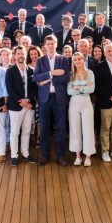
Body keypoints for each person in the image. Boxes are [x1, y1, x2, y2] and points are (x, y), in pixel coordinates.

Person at [34, 35, 71, 166]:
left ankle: (61, 156)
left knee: (61, 128)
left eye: (52, 43)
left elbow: (67, 77)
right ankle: (45, 156)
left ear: (56, 44)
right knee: (44, 128)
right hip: (44, 99)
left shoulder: (63, 59)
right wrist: (52, 73)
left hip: (59, 98)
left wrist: (49, 80)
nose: (50, 46)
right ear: (44, 45)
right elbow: (36, 77)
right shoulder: (40, 60)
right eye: (48, 43)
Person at [6, 46, 38, 166]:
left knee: (26, 131)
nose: (21, 56)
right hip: (16, 106)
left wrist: (28, 100)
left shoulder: (31, 70)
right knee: (14, 132)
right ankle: (14, 156)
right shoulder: (10, 71)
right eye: (18, 53)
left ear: (26, 55)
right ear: (14, 55)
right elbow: (10, 90)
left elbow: (35, 87)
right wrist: (22, 102)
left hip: (29, 106)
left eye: (22, 53)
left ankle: (25, 153)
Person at [67, 52, 95, 166]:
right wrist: (83, 87)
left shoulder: (90, 73)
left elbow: (91, 89)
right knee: (75, 129)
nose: (77, 61)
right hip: (74, 103)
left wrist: (77, 87)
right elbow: (69, 91)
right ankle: (78, 157)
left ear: (83, 60)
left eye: (79, 59)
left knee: (88, 130)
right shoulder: (70, 74)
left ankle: (88, 157)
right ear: (73, 62)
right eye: (75, 60)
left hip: (86, 103)